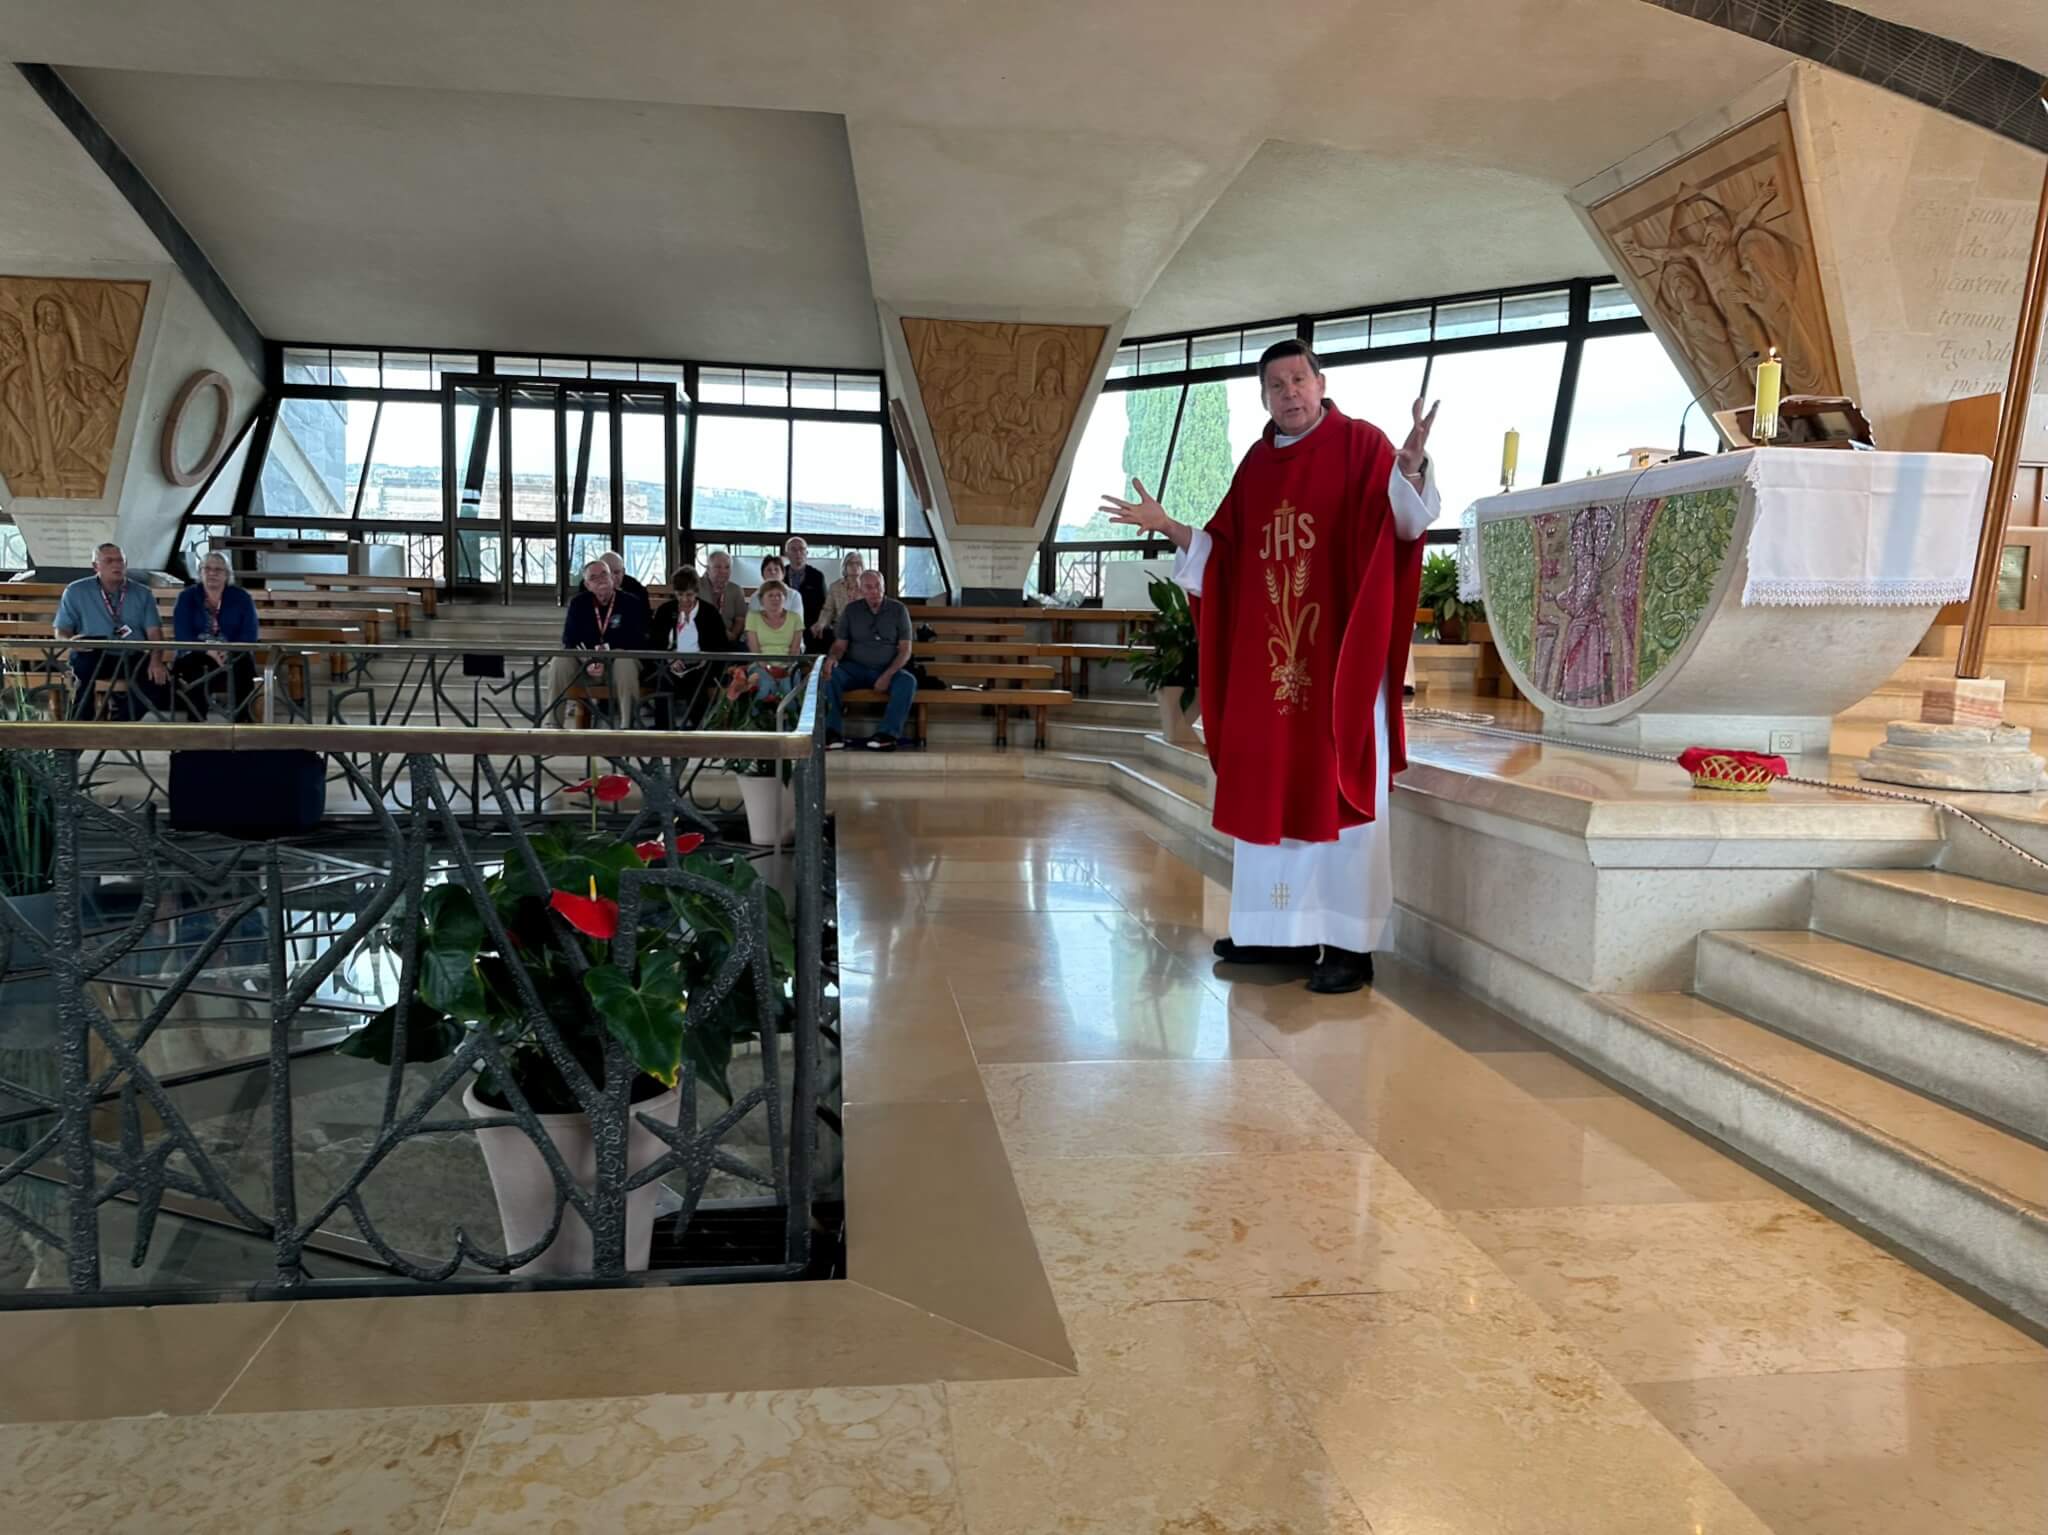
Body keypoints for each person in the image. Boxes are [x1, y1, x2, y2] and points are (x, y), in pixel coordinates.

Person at [1102, 338, 1438, 995]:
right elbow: (1223, 556)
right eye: (1275, 386)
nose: (1289, 393)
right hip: (1273, 667)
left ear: (1320, 383)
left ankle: (1349, 944)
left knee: (1337, 791)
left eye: (1297, 380)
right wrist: (1170, 525)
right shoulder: (1257, 464)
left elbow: (1404, 527)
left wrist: (1413, 470)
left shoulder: (1363, 446)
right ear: (1263, 397)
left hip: (1339, 664)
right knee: (1268, 786)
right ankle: (1278, 933)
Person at [54, 541, 169, 720]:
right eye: (109, 561)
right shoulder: (76, 591)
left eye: (120, 560)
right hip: (93, 652)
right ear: (96, 566)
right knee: (84, 668)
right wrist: (71, 642)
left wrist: (156, 661)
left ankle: (119, 723)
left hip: (131, 654)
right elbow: (61, 630)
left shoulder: (143, 593)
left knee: (158, 682)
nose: (116, 565)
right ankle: (81, 725)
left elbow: (155, 633)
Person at [821, 569, 916, 752]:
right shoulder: (851, 610)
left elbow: (905, 650)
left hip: (887, 668)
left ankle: (887, 735)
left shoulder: (898, 610)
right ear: (861, 590)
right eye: (869, 587)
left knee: (908, 681)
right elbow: (840, 645)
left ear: (884, 587)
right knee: (830, 675)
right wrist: (832, 658)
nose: (874, 591)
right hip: (855, 669)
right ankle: (832, 733)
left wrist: (888, 675)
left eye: (878, 586)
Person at [551, 556, 648, 726]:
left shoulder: (630, 602)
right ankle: (552, 724)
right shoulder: (578, 603)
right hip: (586, 667)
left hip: (617, 668)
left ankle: (628, 726)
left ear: (612, 578)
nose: (600, 580)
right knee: (560, 660)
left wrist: (610, 654)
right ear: (587, 585)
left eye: (604, 574)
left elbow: (636, 640)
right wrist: (587, 660)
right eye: (593, 577)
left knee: (625, 661)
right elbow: (570, 640)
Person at [171, 552, 260, 721]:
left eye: (218, 569)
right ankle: (196, 724)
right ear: (200, 572)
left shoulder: (242, 597)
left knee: (243, 665)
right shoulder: (187, 597)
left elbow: (250, 634)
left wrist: (228, 650)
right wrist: (208, 650)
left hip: (232, 652)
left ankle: (242, 724)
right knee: (196, 668)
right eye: (207, 569)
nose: (212, 573)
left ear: (227, 574)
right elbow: (182, 634)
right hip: (196, 651)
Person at [648, 566, 730, 727]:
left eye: (689, 595)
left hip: (701, 666)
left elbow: (721, 645)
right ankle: (663, 730)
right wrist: (670, 659)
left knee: (697, 684)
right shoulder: (665, 611)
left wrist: (706, 658)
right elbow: (655, 642)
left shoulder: (709, 612)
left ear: (697, 592)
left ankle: (698, 729)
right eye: (680, 595)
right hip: (670, 665)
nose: (685, 599)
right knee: (663, 680)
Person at [743, 578, 805, 698]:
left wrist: (786, 669)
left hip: (788, 666)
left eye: (779, 595)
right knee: (766, 685)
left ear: (784, 598)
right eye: (770, 595)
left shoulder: (795, 618)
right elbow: (755, 649)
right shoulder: (752, 617)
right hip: (760, 665)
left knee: (788, 688)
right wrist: (769, 669)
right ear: (762, 600)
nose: (775, 599)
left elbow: (795, 650)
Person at [782, 536, 829, 649]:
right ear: (787, 554)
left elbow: (824, 605)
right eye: (793, 549)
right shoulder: (781, 574)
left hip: (809, 627)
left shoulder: (817, 576)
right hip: (783, 624)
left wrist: (820, 623)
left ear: (806, 553)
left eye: (801, 549)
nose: (798, 553)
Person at [813, 551, 865, 650]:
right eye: (851, 563)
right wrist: (821, 623)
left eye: (858, 563)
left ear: (862, 566)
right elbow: (828, 610)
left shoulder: (867, 586)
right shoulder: (835, 587)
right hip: (841, 628)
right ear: (845, 566)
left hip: (862, 628)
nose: (855, 566)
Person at [702, 549, 748, 635]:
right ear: (708, 569)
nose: (723, 571)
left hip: (727, 637)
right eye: (718, 567)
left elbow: (740, 618)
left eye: (727, 567)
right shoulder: (696, 587)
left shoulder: (736, 590)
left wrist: (733, 635)